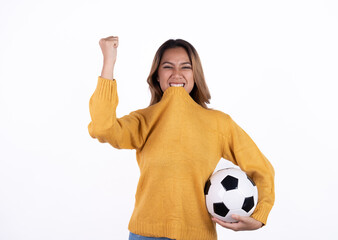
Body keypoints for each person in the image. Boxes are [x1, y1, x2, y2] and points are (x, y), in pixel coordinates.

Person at [88, 36, 275, 240]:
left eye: (185, 67)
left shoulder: (219, 123)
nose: (177, 74)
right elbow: (102, 127)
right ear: (157, 76)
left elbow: (262, 169)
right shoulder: (143, 121)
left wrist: (259, 216)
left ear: (195, 75)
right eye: (168, 67)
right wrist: (109, 62)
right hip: (145, 235)